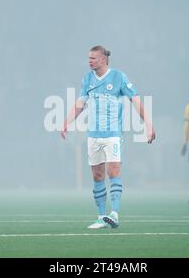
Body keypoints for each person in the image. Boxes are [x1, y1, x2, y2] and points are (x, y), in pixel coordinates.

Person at [61, 46, 156, 229]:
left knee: (113, 171)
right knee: (97, 175)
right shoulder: (87, 79)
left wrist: (148, 124)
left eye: (93, 58)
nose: (89, 61)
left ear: (103, 59)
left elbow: (135, 100)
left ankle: (115, 213)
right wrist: (67, 122)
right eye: (88, 58)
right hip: (93, 136)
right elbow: (80, 104)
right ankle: (101, 217)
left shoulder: (119, 77)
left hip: (113, 134)